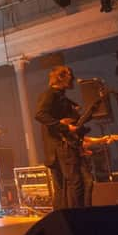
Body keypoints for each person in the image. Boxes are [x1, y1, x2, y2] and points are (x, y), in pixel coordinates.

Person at [35, 65, 93, 209]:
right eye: (70, 76)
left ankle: (64, 221)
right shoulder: (50, 94)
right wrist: (65, 127)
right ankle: (76, 219)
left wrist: (80, 127)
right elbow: (40, 114)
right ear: (60, 77)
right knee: (74, 182)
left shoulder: (61, 97)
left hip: (60, 146)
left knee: (62, 187)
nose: (73, 79)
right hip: (60, 146)